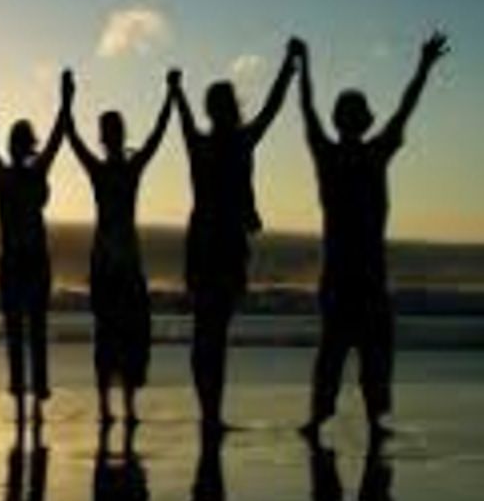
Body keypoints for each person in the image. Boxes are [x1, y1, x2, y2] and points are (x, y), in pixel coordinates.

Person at [297, 32, 450, 439]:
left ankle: (328, 417)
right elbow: (403, 109)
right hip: (361, 272)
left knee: (340, 350)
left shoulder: (337, 154)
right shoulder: (368, 153)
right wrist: (423, 67)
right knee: (366, 350)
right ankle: (366, 420)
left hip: (345, 272)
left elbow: (308, 112)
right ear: (361, 120)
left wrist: (304, 67)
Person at [170, 41, 297, 433]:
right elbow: (272, 109)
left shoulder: (209, 144)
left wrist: (176, 92)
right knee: (213, 333)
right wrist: (287, 68)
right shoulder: (234, 142)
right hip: (220, 243)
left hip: (211, 242)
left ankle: (210, 412)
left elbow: (269, 110)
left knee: (208, 331)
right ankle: (211, 413)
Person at [65, 73, 173, 426]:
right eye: (110, 132)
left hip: (119, 262)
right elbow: (73, 138)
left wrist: (170, 97)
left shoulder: (124, 168)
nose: (113, 137)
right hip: (113, 263)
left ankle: (119, 406)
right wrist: (66, 100)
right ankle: (111, 407)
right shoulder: (112, 169)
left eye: (113, 132)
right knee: (114, 336)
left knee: (124, 336)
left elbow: (156, 136)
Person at [0, 70, 72, 424]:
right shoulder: (16, 175)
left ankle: (29, 394)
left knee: (24, 331)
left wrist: (67, 101)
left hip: (26, 260)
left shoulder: (21, 174)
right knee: (27, 330)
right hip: (22, 261)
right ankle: (28, 395)